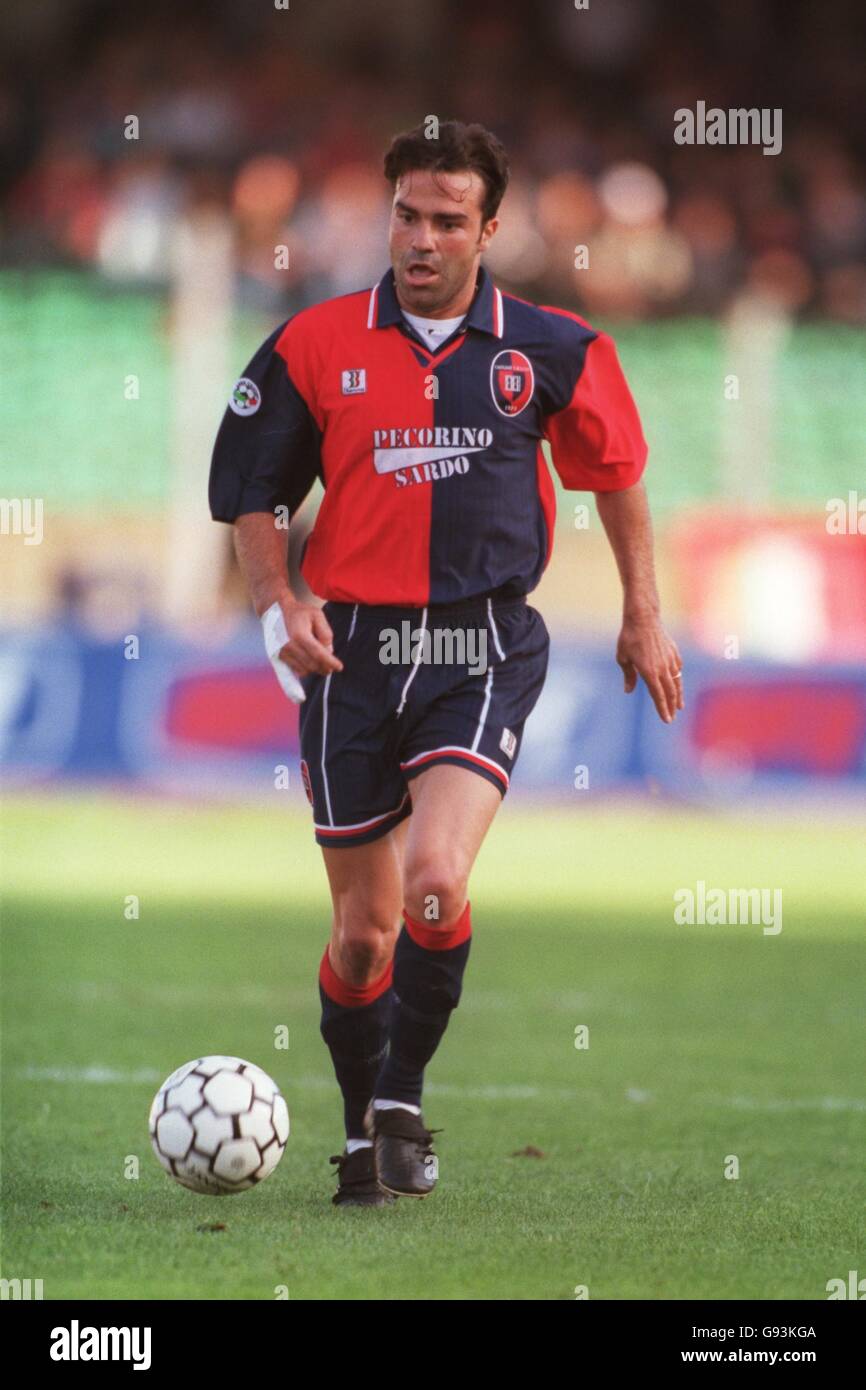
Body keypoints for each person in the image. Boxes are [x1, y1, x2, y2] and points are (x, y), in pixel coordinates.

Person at [209, 120, 683, 1207]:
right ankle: (354, 1129)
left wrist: (640, 612)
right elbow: (250, 493)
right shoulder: (311, 343)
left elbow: (614, 474)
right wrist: (279, 601)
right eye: (405, 215)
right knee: (363, 936)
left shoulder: (551, 350)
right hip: (350, 655)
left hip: (480, 643)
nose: (420, 239)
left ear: (490, 230)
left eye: (446, 220)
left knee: (433, 885)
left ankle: (399, 1102)